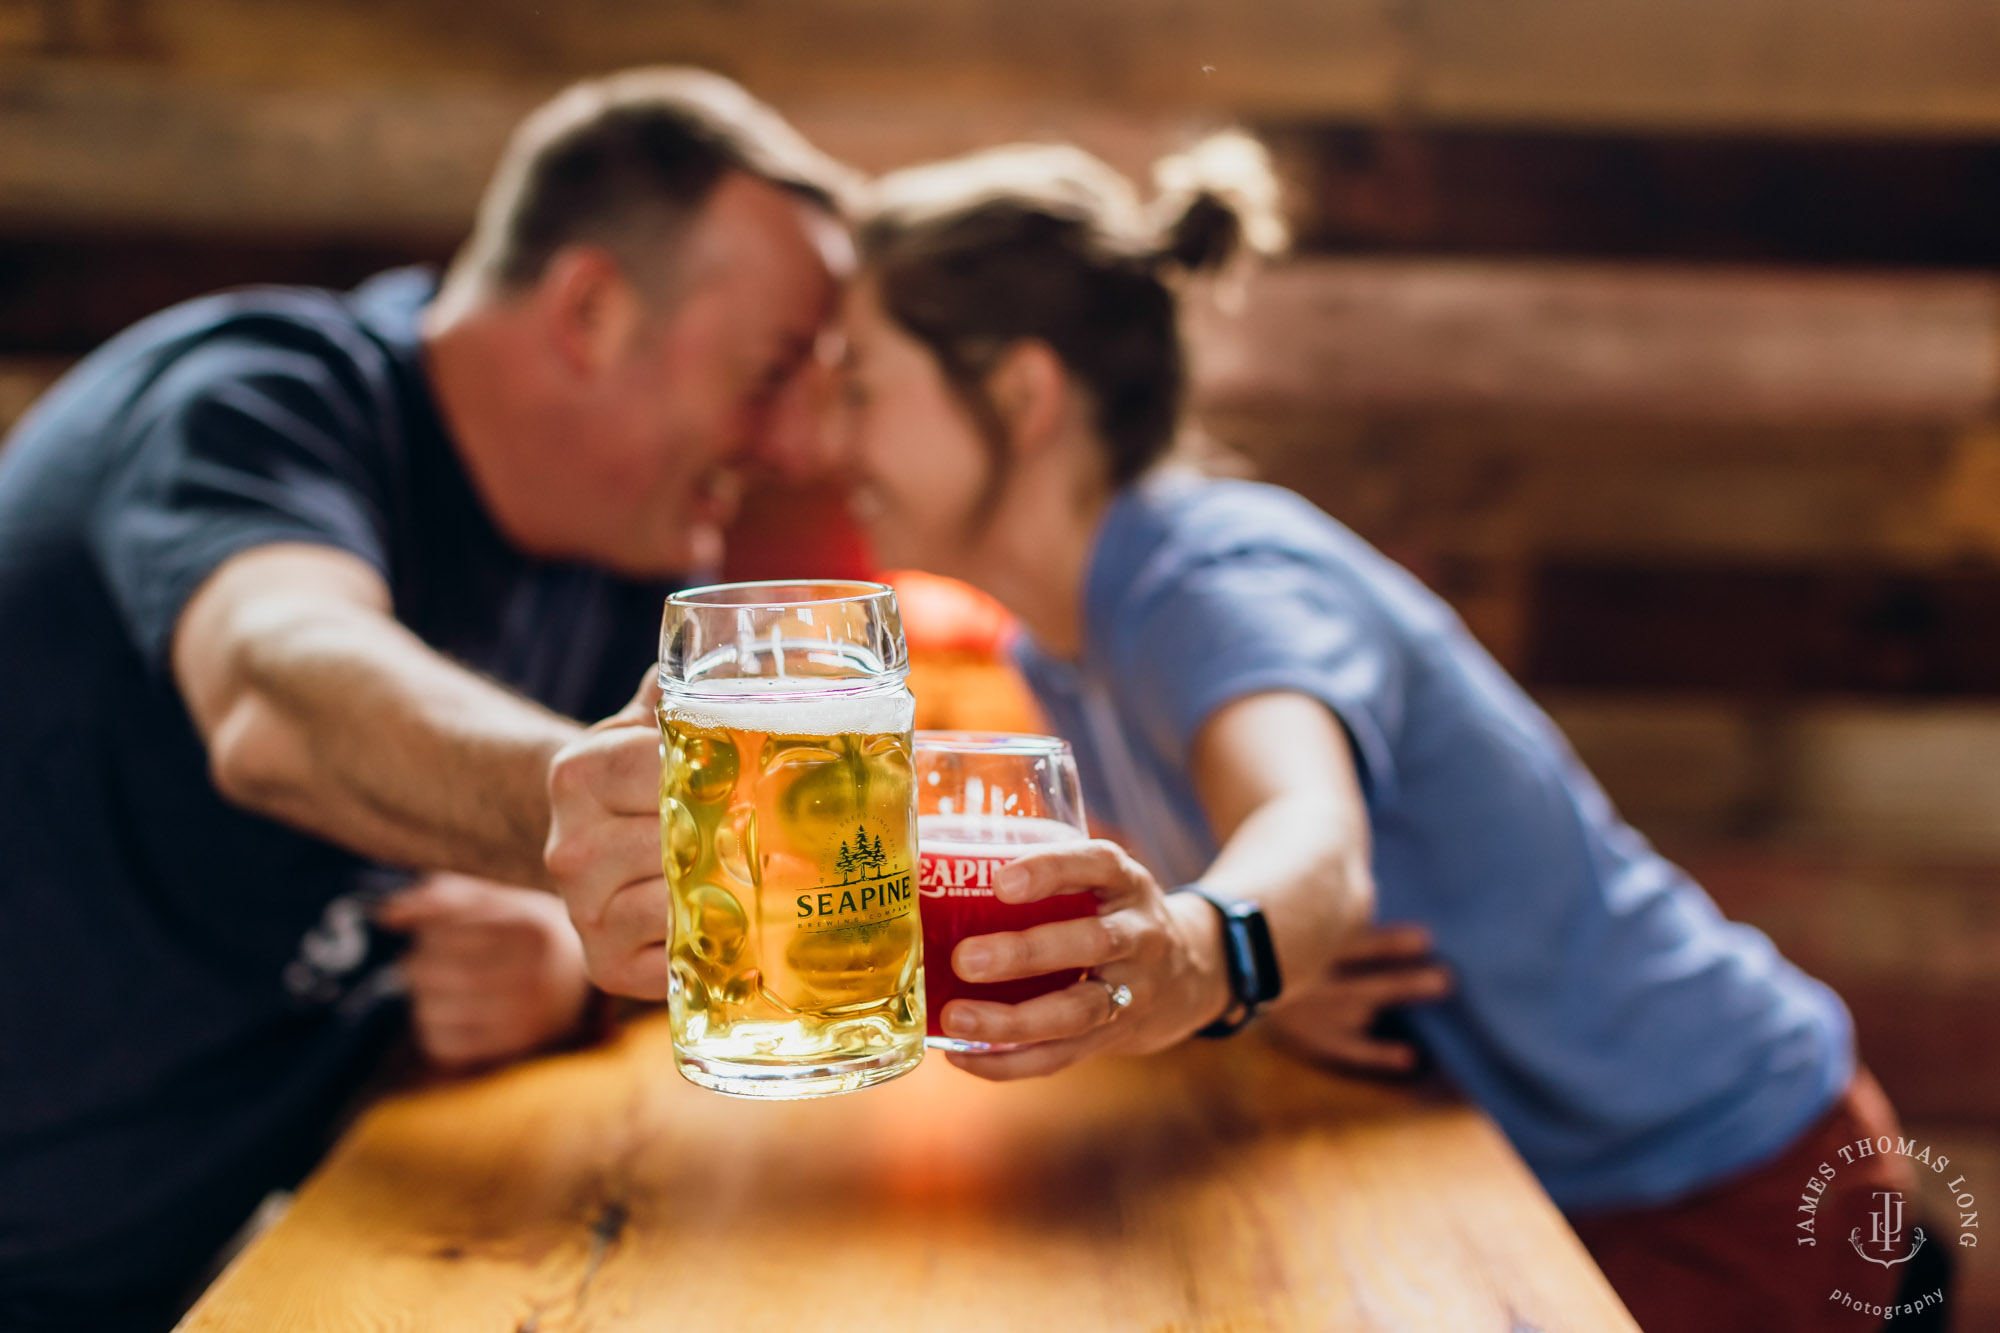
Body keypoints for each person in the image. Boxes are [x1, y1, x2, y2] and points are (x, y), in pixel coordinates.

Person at [544, 136, 1912, 1332]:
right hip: (1572, 1178)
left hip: (1744, 1180)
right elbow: (1260, 884)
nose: (820, 439)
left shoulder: (1204, 574)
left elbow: (1313, 838)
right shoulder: (1060, 641)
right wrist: (1259, 971)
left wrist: (1210, 955)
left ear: (1019, 394)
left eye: (861, 384)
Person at [0, 67, 853, 1331]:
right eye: (770, 371)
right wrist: (582, 815)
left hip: (179, 1259)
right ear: (591, 309)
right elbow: (276, 689)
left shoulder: (632, 546)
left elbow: (572, 885)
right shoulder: (254, 398)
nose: (796, 446)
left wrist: (569, 958)